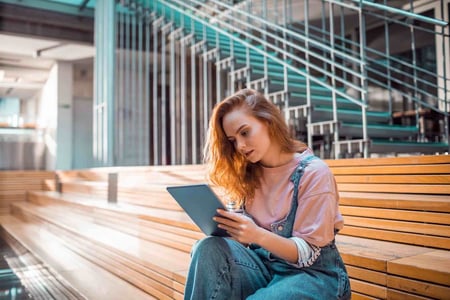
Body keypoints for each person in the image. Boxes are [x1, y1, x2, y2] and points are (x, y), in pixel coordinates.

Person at [184, 88, 351, 299]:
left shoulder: (314, 173)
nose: (240, 146)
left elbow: (307, 253)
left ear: (268, 122)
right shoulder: (248, 174)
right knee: (207, 248)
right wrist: (233, 230)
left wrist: (256, 234)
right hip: (263, 269)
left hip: (313, 276)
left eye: (245, 132)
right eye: (233, 140)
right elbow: (242, 243)